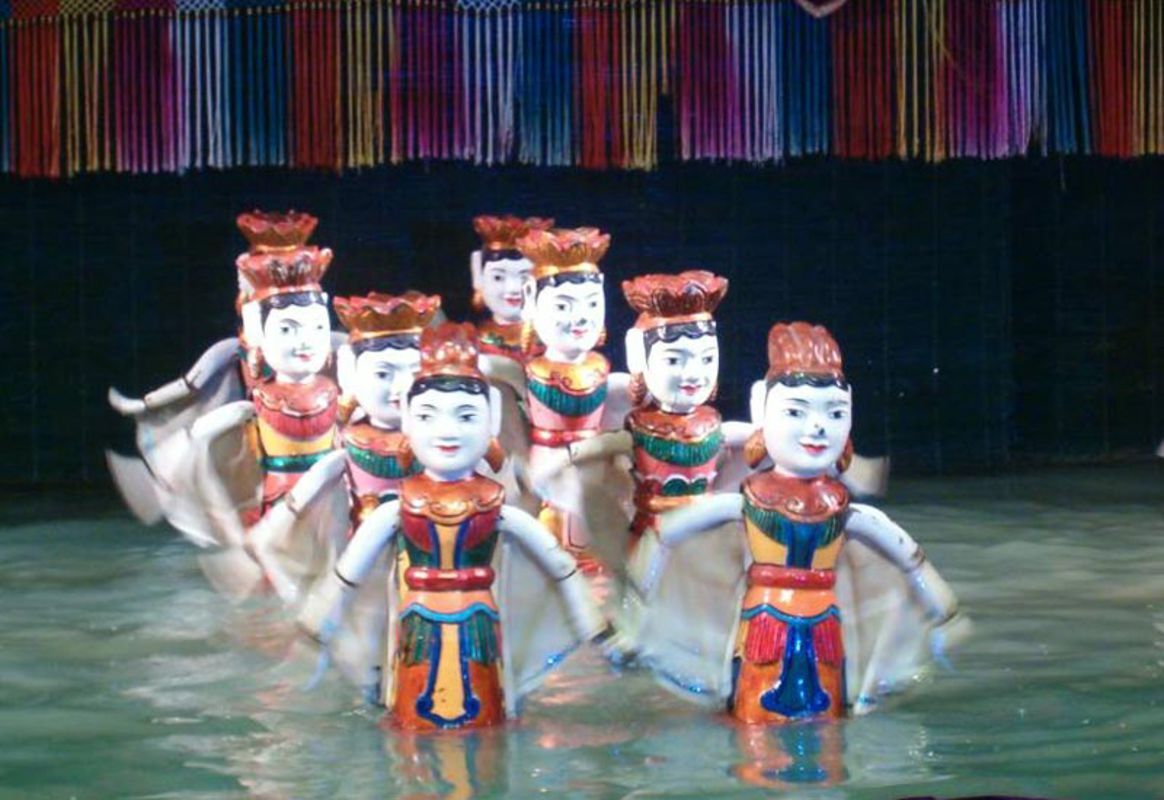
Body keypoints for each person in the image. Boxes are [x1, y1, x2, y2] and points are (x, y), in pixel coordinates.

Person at [297, 323, 610, 730]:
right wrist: (321, 619)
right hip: (417, 630)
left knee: (488, 721)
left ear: (492, 418)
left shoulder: (495, 505)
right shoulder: (400, 506)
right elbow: (348, 575)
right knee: (413, 726)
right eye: (428, 415)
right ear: (408, 418)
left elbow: (558, 567)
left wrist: (594, 626)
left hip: (480, 628)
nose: (447, 431)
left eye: (466, 416)